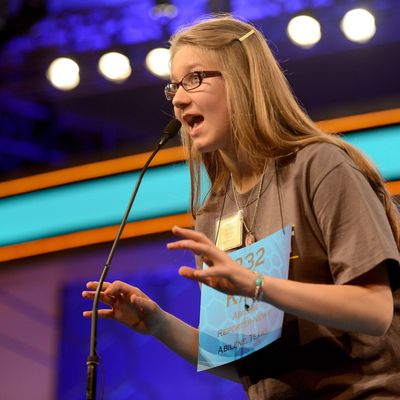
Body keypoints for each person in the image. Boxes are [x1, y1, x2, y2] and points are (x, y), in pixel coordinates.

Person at [83, 15, 400, 399]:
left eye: (195, 78)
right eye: (173, 87)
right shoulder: (213, 212)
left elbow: (374, 310)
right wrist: (158, 325)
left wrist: (256, 285)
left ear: (244, 81)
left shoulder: (319, 166)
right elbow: (249, 364)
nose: (179, 99)